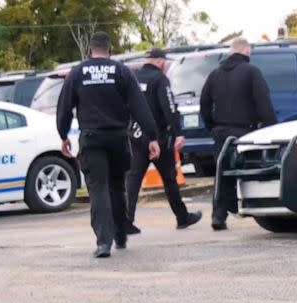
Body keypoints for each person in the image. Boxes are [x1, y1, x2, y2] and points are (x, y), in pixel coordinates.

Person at [57, 31, 160, 258]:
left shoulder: (77, 73)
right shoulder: (122, 72)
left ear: (90, 50)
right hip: (117, 138)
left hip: (92, 139)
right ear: (110, 50)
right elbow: (139, 106)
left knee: (98, 189)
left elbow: (64, 107)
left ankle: (104, 243)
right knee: (116, 186)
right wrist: (152, 137)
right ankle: (120, 235)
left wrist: (63, 134)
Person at [199, 37, 278, 231]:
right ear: (247, 52)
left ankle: (218, 216)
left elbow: (204, 103)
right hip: (244, 131)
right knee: (247, 171)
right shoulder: (251, 72)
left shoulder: (215, 74)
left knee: (221, 173)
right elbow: (264, 103)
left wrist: (212, 127)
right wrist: (271, 127)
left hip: (220, 131)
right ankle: (254, 206)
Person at [126, 49, 202, 233]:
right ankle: (182, 217)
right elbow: (168, 107)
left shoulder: (132, 78)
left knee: (133, 179)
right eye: (164, 62)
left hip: (136, 136)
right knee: (169, 179)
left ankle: (126, 221)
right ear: (160, 62)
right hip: (158, 137)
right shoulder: (160, 79)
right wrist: (178, 132)